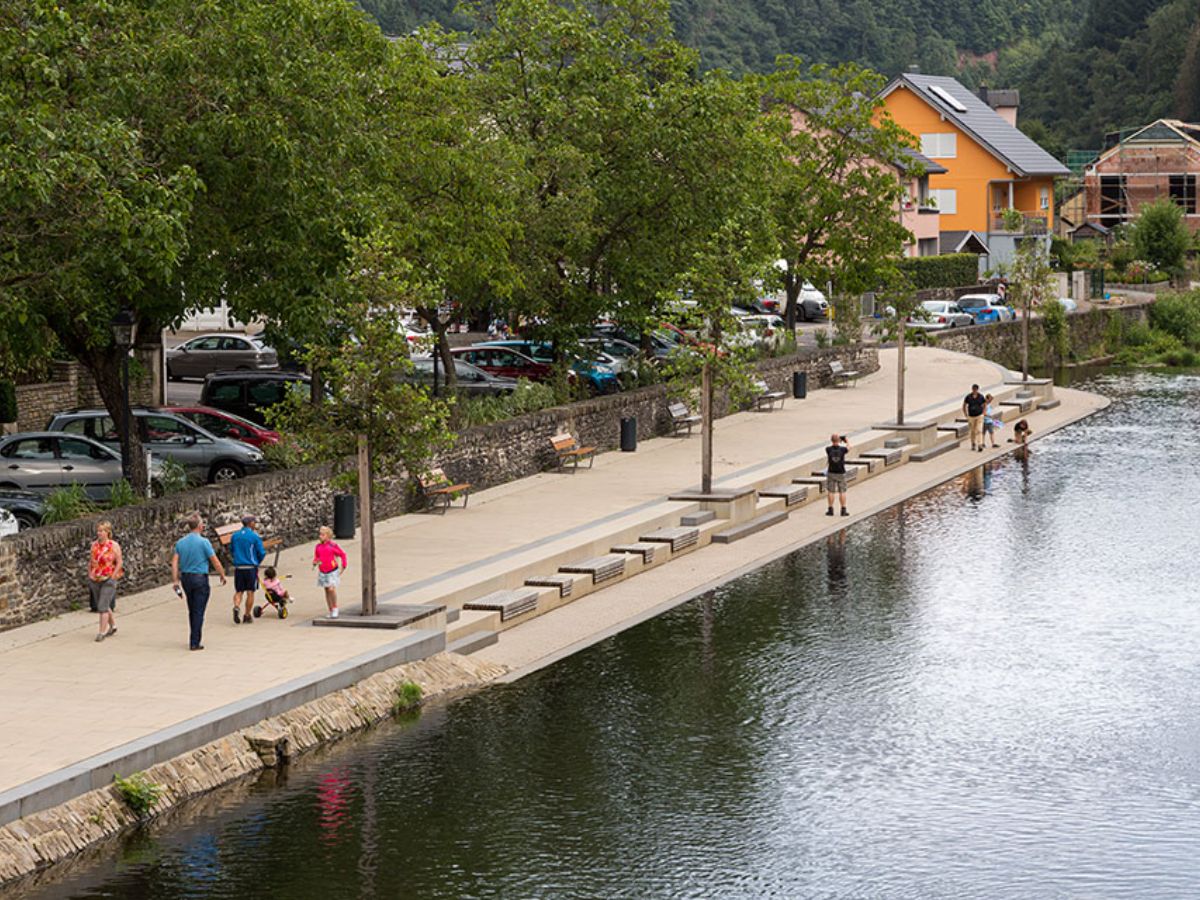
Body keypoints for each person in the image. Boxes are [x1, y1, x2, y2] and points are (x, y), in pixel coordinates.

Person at [171, 512, 226, 651]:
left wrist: (175, 581)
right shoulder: (204, 542)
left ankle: (193, 636)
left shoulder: (181, 543)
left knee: (192, 608)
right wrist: (222, 574)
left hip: (186, 578)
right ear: (200, 526)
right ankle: (195, 641)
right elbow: (214, 560)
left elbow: (175, 562)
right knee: (199, 610)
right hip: (200, 578)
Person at [88, 521, 123, 642]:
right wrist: (90, 574)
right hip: (96, 578)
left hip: (108, 578)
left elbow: (119, 562)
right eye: (98, 531)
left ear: (107, 532)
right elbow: (91, 561)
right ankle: (113, 626)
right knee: (103, 604)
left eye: (102, 531)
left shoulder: (113, 545)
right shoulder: (94, 545)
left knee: (102, 607)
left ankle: (101, 632)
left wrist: (113, 575)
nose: (99, 533)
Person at [229, 514, 265, 625]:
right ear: (251, 523)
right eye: (254, 522)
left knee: (239, 591)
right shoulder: (254, 537)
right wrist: (257, 562)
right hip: (250, 567)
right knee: (250, 592)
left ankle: (236, 606)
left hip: (239, 567)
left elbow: (232, 550)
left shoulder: (235, 536)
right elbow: (261, 552)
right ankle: (247, 615)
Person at [313, 526, 348, 618]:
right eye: (320, 534)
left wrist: (344, 564)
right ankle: (330, 609)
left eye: (323, 535)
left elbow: (342, 554)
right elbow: (317, 557)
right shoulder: (318, 547)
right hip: (323, 571)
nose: (320, 536)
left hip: (332, 571)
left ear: (328, 536)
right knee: (326, 590)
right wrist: (315, 561)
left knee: (331, 589)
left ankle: (335, 607)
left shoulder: (332, 546)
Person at [824, 433, 850, 517]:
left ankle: (830, 509)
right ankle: (843, 510)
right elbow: (849, 448)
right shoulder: (843, 449)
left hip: (831, 472)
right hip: (841, 472)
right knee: (842, 491)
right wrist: (846, 441)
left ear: (831, 440)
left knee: (831, 491)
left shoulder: (828, 449)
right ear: (839, 440)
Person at [963, 384, 987, 452]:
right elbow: (964, 405)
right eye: (973, 389)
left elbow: (984, 404)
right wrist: (965, 414)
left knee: (979, 430)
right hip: (971, 416)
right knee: (972, 431)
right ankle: (973, 443)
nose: (974, 391)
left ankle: (980, 444)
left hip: (979, 415)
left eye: (975, 389)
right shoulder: (968, 397)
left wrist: (984, 412)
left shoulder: (981, 397)